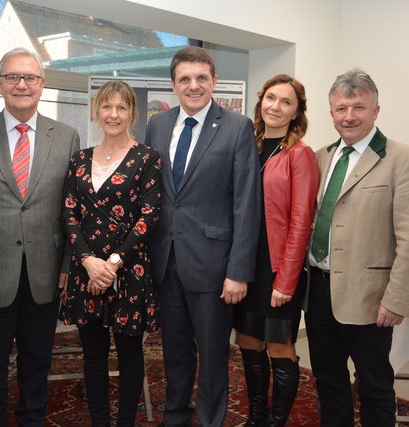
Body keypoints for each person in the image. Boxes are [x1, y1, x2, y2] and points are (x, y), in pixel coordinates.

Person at [305, 68, 409, 426]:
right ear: (331, 112)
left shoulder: (403, 159)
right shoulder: (320, 157)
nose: (349, 116)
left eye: (358, 107)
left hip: (370, 298)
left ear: (376, 111)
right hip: (318, 290)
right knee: (328, 378)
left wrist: (397, 299)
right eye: (341, 108)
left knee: (374, 385)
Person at [144, 46, 260, 427]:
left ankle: (211, 419)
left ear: (214, 81)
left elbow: (246, 204)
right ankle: (175, 416)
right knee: (174, 351)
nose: (193, 86)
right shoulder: (157, 126)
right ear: (173, 85)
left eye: (201, 78)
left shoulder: (237, 127)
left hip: (214, 266)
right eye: (185, 79)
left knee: (212, 356)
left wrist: (238, 271)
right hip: (166, 262)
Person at [0, 48, 80, 426]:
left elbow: (72, 208)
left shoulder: (67, 137)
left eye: (30, 77)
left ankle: (32, 419)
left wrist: (67, 264)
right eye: (12, 77)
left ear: (42, 85)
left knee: (37, 360)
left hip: (46, 270)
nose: (21, 84)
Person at [60, 80, 161, 427]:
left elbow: (149, 218)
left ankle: (125, 422)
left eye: (121, 107)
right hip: (86, 271)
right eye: (106, 106)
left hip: (128, 272)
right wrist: (89, 262)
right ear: (96, 111)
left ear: (132, 113)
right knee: (93, 355)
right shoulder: (79, 159)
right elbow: (69, 214)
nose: (113, 114)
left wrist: (112, 264)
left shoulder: (147, 158)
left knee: (130, 354)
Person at [233, 75, 319, 427]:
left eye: (286, 102)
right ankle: (256, 418)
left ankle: (276, 421)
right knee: (248, 343)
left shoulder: (300, 155)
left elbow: (301, 221)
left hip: (278, 268)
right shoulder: (246, 146)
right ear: (261, 102)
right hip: (244, 264)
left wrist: (286, 280)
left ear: (296, 113)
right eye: (271, 98)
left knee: (279, 347)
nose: (276, 107)